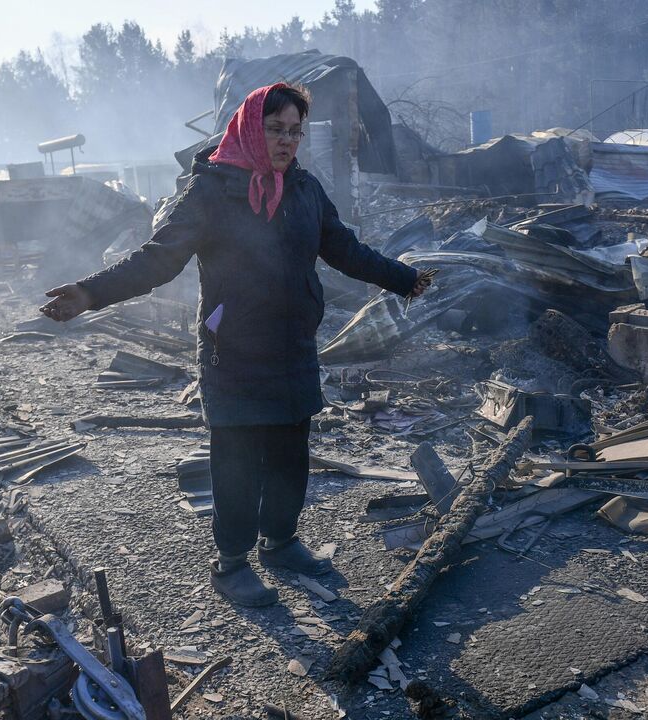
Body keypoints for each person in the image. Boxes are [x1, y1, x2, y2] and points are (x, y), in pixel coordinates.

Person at [41, 82, 431, 606]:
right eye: (275, 129)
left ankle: (282, 543)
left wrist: (403, 278)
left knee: (292, 455)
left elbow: (346, 251)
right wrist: (90, 292)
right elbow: (157, 259)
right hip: (234, 352)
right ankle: (230, 565)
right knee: (238, 462)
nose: (286, 141)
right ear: (251, 127)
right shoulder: (213, 192)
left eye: (294, 131)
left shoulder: (304, 190)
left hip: (292, 346)